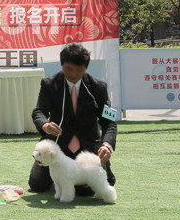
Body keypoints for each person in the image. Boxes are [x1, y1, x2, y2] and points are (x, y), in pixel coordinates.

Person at [29, 43, 117, 195]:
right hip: (56, 149)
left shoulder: (99, 87)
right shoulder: (49, 84)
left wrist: (107, 145)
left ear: (86, 68)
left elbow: (109, 122)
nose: (73, 74)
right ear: (62, 65)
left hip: (87, 148)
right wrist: (45, 124)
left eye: (79, 69)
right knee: (37, 185)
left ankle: (71, 181)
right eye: (68, 68)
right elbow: (39, 111)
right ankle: (61, 180)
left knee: (88, 190)